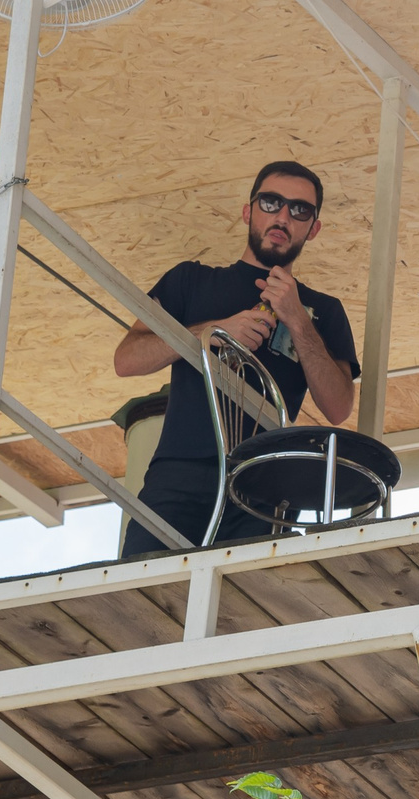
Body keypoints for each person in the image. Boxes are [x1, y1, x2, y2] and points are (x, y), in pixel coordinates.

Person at [112, 161, 359, 556]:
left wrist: (296, 318)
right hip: (180, 472)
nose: (282, 216)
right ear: (248, 211)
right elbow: (126, 359)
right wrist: (210, 334)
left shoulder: (323, 311)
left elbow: (339, 407)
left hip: (267, 484)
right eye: (271, 202)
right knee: (144, 590)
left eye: (299, 210)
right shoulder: (191, 281)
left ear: (313, 228)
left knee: (242, 607)